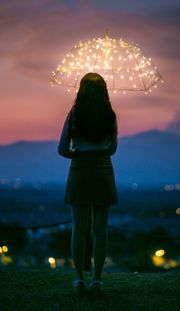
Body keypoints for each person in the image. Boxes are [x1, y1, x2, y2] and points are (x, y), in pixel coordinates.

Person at [57, 72, 118, 292]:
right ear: (104, 90)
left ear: (81, 89)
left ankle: (79, 278)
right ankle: (98, 279)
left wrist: (80, 154)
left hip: (79, 172)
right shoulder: (109, 115)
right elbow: (113, 149)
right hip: (103, 171)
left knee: (79, 229)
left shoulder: (74, 114)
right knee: (100, 230)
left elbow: (62, 149)